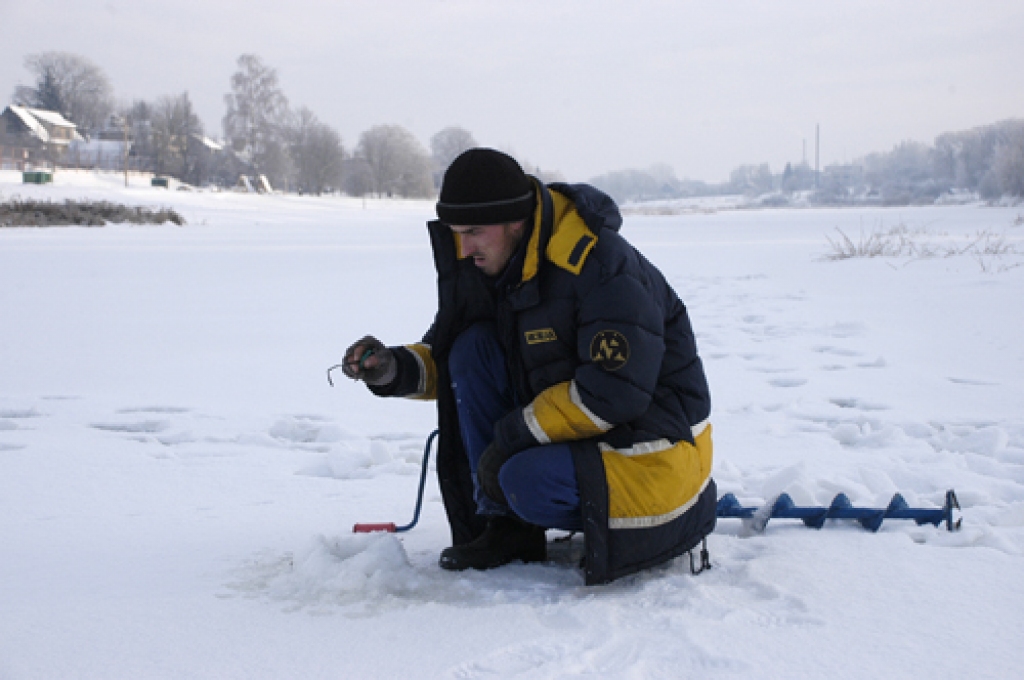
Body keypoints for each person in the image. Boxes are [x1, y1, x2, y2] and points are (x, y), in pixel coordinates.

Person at [341, 148, 716, 585]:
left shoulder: (602, 267)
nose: (464, 248)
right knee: (472, 346)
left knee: (524, 478)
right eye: (456, 233)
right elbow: (455, 364)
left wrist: (511, 436)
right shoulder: (505, 264)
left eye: (474, 232)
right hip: (595, 432)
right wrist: (392, 369)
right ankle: (506, 530)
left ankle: (537, 502)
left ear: (515, 221)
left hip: (658, 451)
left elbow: (613, 393)